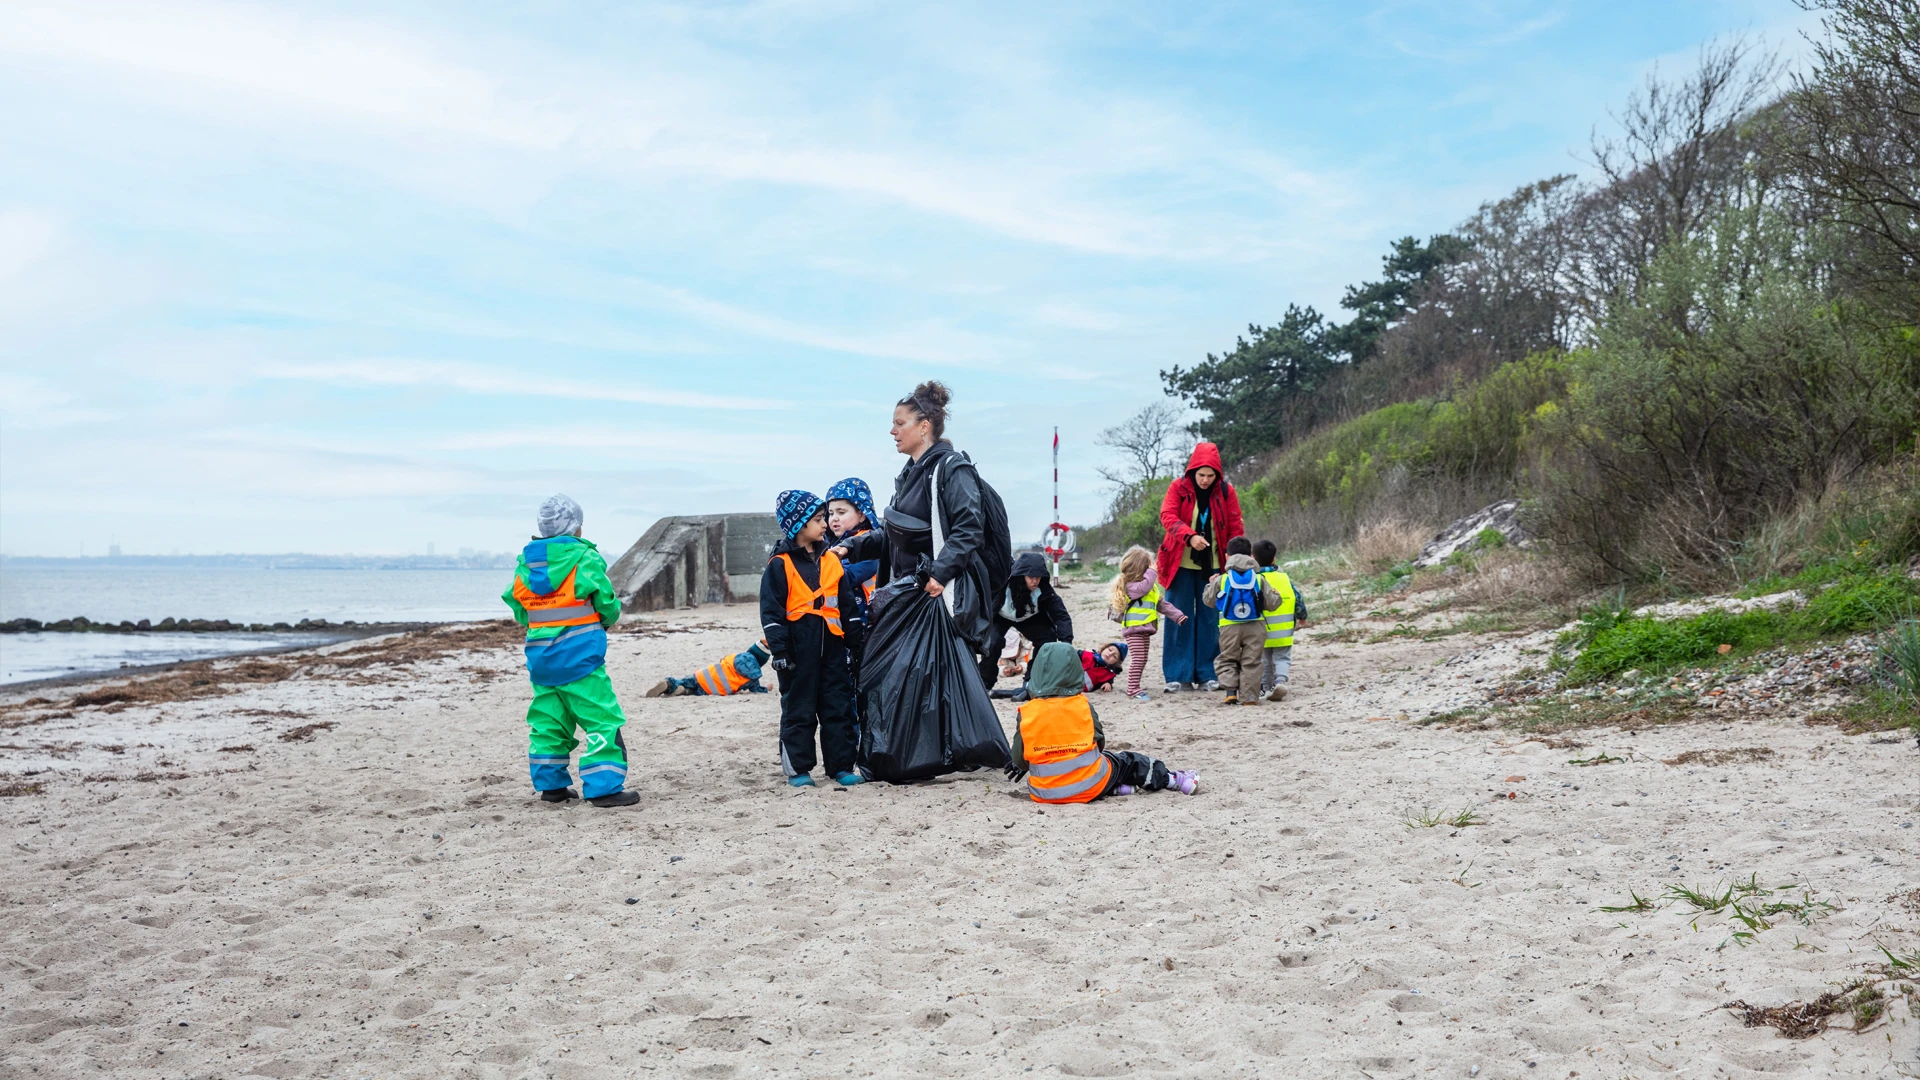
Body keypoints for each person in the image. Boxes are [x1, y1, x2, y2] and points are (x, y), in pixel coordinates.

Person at [835, 381, 999, 669]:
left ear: (924, 427)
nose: (892, 431)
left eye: (900, 423)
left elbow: (969, 527)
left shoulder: (951, 470)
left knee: (938, 685)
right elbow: (894, 532)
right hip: (908, 596)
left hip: (936, 597)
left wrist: (939, 573)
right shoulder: (910, 475)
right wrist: (851, 546)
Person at [501, 494, 638, 808]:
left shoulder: (526, 564)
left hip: (541, 659)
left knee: (549, 721)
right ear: (576, 527)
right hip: (580, 659)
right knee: (602, 719)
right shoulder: (583, 558)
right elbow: (607, 603)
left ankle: (552, 787)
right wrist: (604, 619)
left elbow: (519, 608)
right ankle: (603, 788)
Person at [762, 490, 867, 788]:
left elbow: (846, 603)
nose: (826, 524)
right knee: (799, 709)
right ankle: (798, 769)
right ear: (798, 524)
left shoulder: (832, 561)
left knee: (838, 708)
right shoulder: (779, 565)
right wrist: (780, 651)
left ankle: (841, 766)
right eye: (819, 519)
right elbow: (771, 612)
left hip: (833, 647)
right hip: (797, 650)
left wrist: (855, 638)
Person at [1004, 642, 1198, 803]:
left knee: (1102, 767)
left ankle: (1116, 789)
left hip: (1044, 793)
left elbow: (1020, 759)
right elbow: (1100, 744)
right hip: (1089, 784)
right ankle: (1174, 781)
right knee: (1127, 762)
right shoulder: (1082, 705)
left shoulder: (1027, 712)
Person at [1155, 442, 1245, 692]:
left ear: (1218, 475)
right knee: (1178, 617)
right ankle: (1177, 675)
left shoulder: (1227, 492)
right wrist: (1190, 536)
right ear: (1192, 471)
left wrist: (1236, 560)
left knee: (1209, 620)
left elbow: (1236, 525)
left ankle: (1208, 674)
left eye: (1210, 475)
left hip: (1215, 566)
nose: (1205, 480)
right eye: (1201, 474)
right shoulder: (1177, 487)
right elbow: (1168, 516)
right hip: (1179, 564)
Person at [1200, 536, 1284, 706]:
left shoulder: (1222, 579)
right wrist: (1276, 594)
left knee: (1228, 659)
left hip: (1228, 626)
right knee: (1251, 661)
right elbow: (1273, 603)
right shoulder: (1259, 578)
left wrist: (1210, 585)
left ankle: (1231, 693)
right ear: (1251, 556)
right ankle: (1249, 698)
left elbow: (1208, 601)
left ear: (1226, 556)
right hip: (1255, 626)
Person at [979, 550, 1074, 689]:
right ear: (1022, 574)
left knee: (1047, 639)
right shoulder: (1003, 581)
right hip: (1000, 616)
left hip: (1029, 618)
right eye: (1031, 577)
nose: (1035, 581)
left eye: (1038, 577)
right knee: (992, 643)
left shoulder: (1044, 590)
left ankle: (1032, 679)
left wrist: (1066, 642)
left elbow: (1061, 615)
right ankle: (985, 683)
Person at [1106, 545, 1189, 700]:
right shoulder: (1131, 586)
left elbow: (1163, 605)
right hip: (1133, 630)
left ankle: (1135, 685)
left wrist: (1178, 616)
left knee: (1142, 659)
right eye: (1148, 567)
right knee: (1138, 659)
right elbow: (1143, 587)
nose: (1152, 569)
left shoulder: (1150, 589)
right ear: (1140, 569)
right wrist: (1152, 573)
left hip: (1145, 629)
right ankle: (1132, 689)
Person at [1252, 540, 1309, 702]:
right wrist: (1302, 616)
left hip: (1260, 629)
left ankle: (1266, 687)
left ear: (1253, 558)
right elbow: (1297, 598)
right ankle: (1280, 681)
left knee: (1264, 659)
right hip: (1283, 630)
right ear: (1274, 559)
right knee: (1282, 657)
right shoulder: (1284, 578)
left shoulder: (1254, 580)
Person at [824, 477, 881, 619]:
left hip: (866, 620)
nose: (834, 518)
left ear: (861, 515)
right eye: (830, 513)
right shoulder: (831, 544)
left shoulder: (871, 544)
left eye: (841, 512)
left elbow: (849, 576)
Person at [645, 641, 772, 698]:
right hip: (713, 689)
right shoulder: (753, 676)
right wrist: (767, 687)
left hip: (703, 675)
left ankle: (669, 684)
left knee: (684, 681)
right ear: (762, 661)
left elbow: (722, 660)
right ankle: (684, 691)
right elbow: (757, 690)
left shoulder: (734, 656)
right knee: (694, 692)